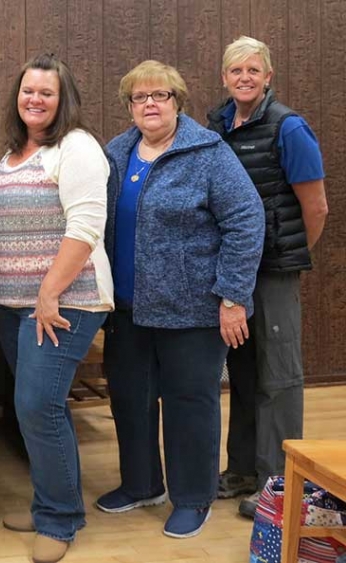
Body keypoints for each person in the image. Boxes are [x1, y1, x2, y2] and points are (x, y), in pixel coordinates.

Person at [95, 60, 264, 539]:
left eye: (160, 95)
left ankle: (192, 496)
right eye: (140, 97)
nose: (150, 104)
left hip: (192, 312)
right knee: (130, 400)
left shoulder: (209, 153)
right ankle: (142, 484)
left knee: (191, 403)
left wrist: (233, 296)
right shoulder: (116, 153)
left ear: (177, 102)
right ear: (129, 106)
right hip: (128, 311)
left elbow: (246, 221)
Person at [0, 53, 113, 563]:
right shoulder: (14, 153)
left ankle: (59, 519)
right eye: (28, 90)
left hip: (63, 304)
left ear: (63, 100)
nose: (35, 99)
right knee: (30, 408)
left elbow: (84, 227)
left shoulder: (76, 147)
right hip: (15, 306)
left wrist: (48, 293)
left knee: (39, 406)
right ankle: (48, 506)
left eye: (46, 92)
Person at [207, 36, 329, 518]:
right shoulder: (217, 126)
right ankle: (242, 471)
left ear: (268, 76)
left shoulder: (289, 127)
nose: (244, 78)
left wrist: (289, 254)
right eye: (236, 71)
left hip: (274, 273)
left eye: (253, 70)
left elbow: (314, 206)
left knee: (279, 377)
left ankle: (278, 483)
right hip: (232, 274)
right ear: (224, 77)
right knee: (242, 372)